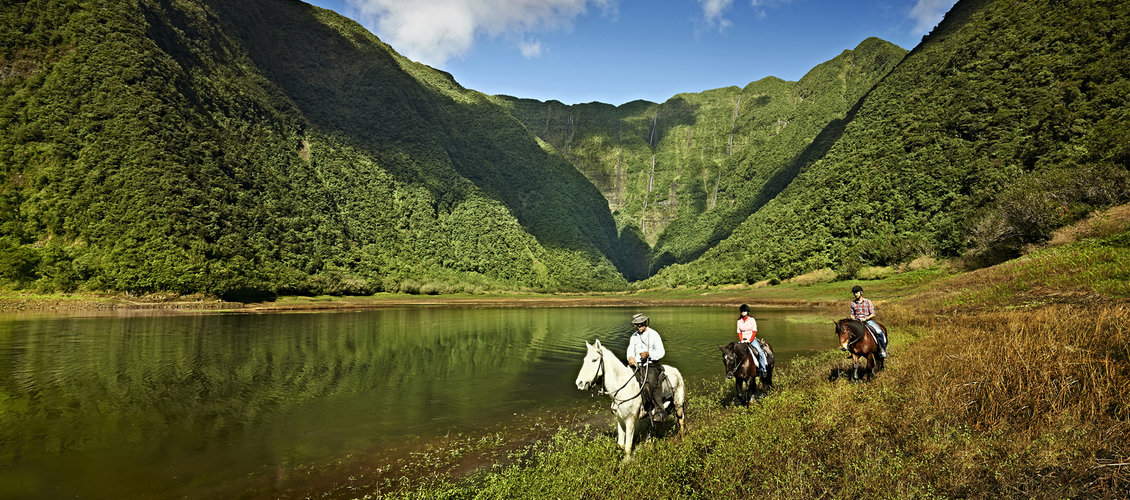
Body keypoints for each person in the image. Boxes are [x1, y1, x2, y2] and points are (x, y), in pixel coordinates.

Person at [627, 313, 667, 422]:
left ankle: (660, 410)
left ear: (645, 323)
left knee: (651, 382)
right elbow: (630, 350)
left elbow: (661, 352)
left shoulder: (654, 334)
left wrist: (649, 354)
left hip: (652, 364)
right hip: (637, 365)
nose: (639, 326)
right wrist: (630, 358)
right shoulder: (634, 336)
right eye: (637, 325)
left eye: (641, 324)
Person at [850, 285, 887, 357]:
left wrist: (865, 318)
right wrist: (853, 318)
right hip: (857, 322)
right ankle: (852, 351)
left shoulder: (868, 302)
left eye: (857, 292)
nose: (855, 294)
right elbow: (852, 314)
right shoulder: (853, 303)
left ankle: (882, 349)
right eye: (854, 293)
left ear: (861, 293)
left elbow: (873, 314)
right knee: (849, 334)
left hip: (867, 321)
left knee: (879, 331)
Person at [737, 304, 768, 376]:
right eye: (742, 311)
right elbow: (739, 332)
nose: (743, 312)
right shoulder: (739, 321)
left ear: (748, 312)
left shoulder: (752, 320)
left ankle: (764, 370)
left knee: (760, 352)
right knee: (735, 352)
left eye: (744, 311)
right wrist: (741, 340)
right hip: (742, 340)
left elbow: (754, 331)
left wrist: (750, 340)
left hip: (751, 339)